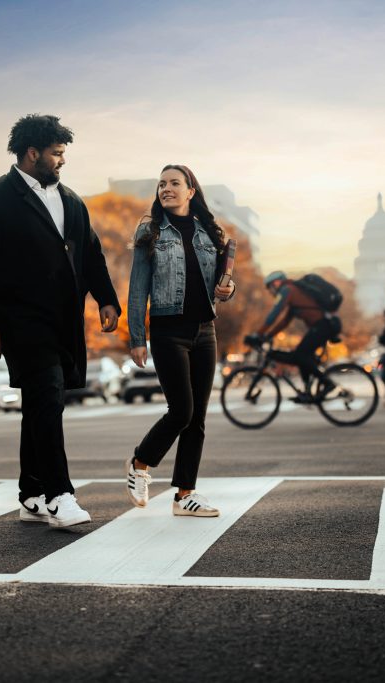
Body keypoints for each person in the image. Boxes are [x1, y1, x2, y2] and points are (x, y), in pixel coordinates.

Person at [0, 114, 120, 528]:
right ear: (33, 153)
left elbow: (91, 253)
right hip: (21, 322)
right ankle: (59, 494)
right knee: (47, 396)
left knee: (43, 404)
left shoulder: (71, 200)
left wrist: (105, 298)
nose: (62, 161)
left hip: (64, 321)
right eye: (56, 153)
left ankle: (30, 494)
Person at [126, 164, 235, 517]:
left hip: (205, 330)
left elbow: (222, 285)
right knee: (182, 410)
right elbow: (138, 288)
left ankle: (184, 494)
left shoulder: (209, 233)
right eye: (161, 184)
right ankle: (141, 461)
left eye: (174, 183)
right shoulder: (151, 231)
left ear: (191, 191)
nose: (166, 188)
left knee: (198, 417)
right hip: (167, 331)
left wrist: (228, 288)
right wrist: (137, 337)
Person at [246, 271, 342, 398]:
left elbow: (274, 314)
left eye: (270, 287)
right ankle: (307, 391)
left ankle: (328, 384)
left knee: (301, 355)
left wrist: (258, 334)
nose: (270, 292)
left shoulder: (287, 290)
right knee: (302, 356)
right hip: (322, 326)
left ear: (276, 283)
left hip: (323, 326)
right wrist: (268, 335)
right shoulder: (295, 294)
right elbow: (284, 322)